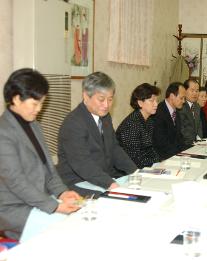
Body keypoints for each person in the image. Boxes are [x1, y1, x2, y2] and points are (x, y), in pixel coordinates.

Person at [0, 68, 81, 240]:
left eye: (42, 103)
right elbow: (16, 181)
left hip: (39, 200)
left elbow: (49, 168)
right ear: (16, 99)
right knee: (68, 233)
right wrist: (54, 206)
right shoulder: (3, 132)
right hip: (14, 208)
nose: (39, 109)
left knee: (81, 219)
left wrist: (62, 193)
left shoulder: (34, 125)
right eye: (35, 104)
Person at [57, 72, 137, 196]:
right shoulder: (73, 123)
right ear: (86, 96)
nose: (106, 105)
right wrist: (110, 184)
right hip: (78, 182)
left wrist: (136, 172)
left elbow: (114, 149)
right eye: (101, 99)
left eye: (110, 99)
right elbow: (82, 163)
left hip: (102, 177)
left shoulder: (105, 117)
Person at [116, 83, 161, 169]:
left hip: (145, 166)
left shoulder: (149, 121)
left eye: (156, 100)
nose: (156, 104)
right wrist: (155, 165)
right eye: (151, 101)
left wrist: (158, 162)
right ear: (140, 103)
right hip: (128, 170)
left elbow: (149, 148)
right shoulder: (131, 124)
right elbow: (134, 158)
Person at [153, 82, 189, 160]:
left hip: (174, 155)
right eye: (181, 98)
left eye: (184, 98)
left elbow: (179, 138)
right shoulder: (159, 112)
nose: (183, 101)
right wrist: (179, 156)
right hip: (163, 157)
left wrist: (189, 151)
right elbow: (161, 142)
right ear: (172, 96)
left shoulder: (176, 112)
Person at [178, 79, 203, 146]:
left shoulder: (197, 106)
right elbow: (182, 129)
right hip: (184, 144)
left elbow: (199, 126)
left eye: (197, 91)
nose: (195, 93)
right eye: (192, 90)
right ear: (184, 91)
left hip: (196, 143)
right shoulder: (180, 106)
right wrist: (193, 143)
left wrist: (199, 140)